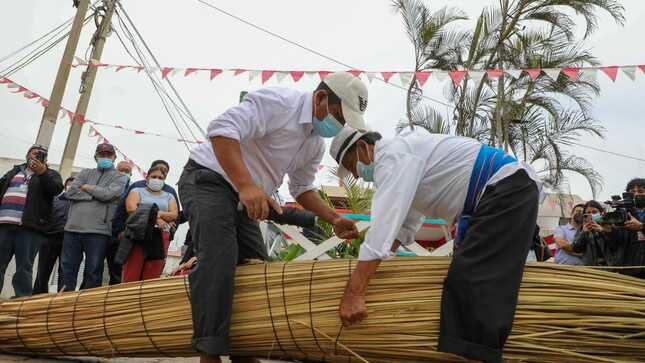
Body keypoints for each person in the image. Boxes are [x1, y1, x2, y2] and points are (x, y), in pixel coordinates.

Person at [178, 72, 366, 363]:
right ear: (320, 98)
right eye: (339, 116)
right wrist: (246, 185)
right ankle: (209, 353)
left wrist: (333, 218)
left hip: (246, 198)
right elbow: (221, 130)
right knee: (219, 256)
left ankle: (245, 352)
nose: (338, 126)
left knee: (258, 270)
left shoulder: (314, 143)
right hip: (208, 180)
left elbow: (302, 188)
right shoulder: (280, 103)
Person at [332, 126, 544, 363]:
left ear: (363, 147)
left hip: (507, 188)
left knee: (475, 281)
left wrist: (354, 292)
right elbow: (401, 226)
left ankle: (478, 357)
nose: (358, 175)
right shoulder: (405, 160)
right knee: (468, 279)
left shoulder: (394, 156)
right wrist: (371, 269)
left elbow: (382, 228)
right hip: (499, 195)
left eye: (352, 166)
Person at [61, 143, 128, 291]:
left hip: (99, 231)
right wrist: (97, 194)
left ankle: (87, 308)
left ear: (114, 157)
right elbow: (70, 193)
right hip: (72, 228)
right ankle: (63, 303)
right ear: (95, 156)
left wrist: (87, 187)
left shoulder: (120, 177)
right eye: (101, 155)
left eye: (108, 155)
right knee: (67, 269)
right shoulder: (85, 172)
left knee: (93, 272)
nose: (105, 157)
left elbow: (108, 194)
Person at [0, 145, 63, 297]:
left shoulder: (51, 174)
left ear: (45, 159)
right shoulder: (13, 171)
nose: (36, 156)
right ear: (27, 155)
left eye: (41, 154)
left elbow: (56, 189)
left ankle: (21, 300)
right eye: (33, 153)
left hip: (30, 228)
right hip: (4, 225)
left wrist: (42, 172)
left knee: (24, 267)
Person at [121, 164, 178, 282]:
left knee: (152, 273)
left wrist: (155, 214)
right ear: (147, 178)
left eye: (160, 178)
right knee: (132, 272)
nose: (157, 180)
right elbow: (131, 209)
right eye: (154, 176)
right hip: (138, 234)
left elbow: (173, 214)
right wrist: (158, 218)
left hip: (161, 236)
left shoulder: (169, 196)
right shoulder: (136, 190)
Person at [33, 176, 75, 294]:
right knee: (43, 271)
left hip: (69, 241)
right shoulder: (54, 200)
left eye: (75, 183)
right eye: (70, 183)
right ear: (65, 185)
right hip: (49, 238)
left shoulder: (80, 203)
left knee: (65, 272)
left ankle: (62, 299)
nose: (71, 185)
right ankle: (38, 297)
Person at [571, 201, 610, 266]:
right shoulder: (582, 228)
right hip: (590, 269)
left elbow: (616, 246)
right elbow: (575, 249)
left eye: (594, 212)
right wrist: (583, 233)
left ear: (601, 213)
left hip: (609, 269)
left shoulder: (609, 226)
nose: (591, 215)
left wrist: (602, 232)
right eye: (588, 213)